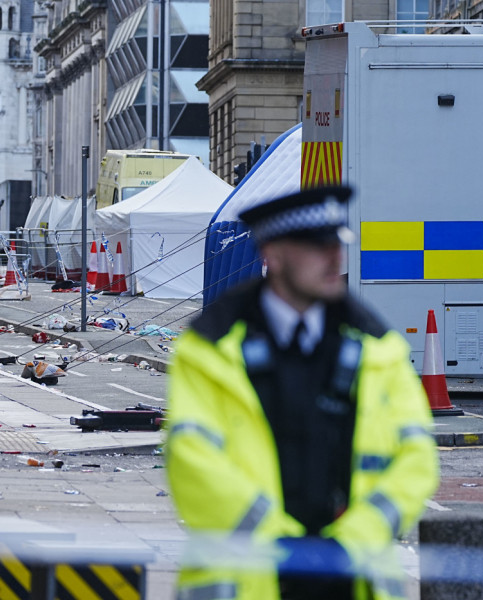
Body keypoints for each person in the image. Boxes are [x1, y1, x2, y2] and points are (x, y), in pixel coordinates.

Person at [166, 185, 439, 600]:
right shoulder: (209, 351)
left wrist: (353, 540)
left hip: (352, 578)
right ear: (272, 256)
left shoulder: (379, 349)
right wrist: (279, 542)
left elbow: (416, 460)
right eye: (316, 246)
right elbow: (191, 460)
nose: (335, 257)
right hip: (249, 582)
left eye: (338, 243)